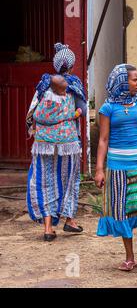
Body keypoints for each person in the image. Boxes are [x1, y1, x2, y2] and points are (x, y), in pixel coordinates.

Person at [95, 64, 137, 272]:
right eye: (134, 79)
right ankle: (130, 256)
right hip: (117, 166)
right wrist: (99, 168)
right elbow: (103, 140)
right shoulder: (108, 108)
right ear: (123, 81)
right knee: (122, 210)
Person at [26, 74, 84, 242]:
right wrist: (75, 113)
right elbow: (82, 109)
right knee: (69, 181)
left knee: (45, 182)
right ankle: (69, 220)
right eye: (64, 82)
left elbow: (32, 116)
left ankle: (48, 228)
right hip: (68, 145)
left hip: (44, 144)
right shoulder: (73, 90)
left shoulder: (42, 91)